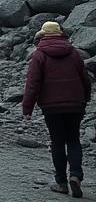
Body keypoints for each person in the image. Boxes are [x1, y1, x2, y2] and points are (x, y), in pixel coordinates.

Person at [23, 21, 92, 197]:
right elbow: (85, 79)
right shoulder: (74, 53)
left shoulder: (39, 55)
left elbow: (32, 84)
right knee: (74, 141)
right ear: (60, 33)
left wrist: (27, 108)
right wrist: (85, 99)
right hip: (75, 104)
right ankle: (75, 175)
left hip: (51, 106)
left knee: (58, 142)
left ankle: (61, 182)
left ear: (42, 35)